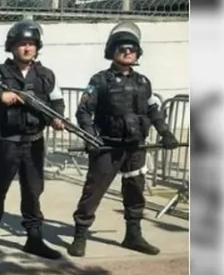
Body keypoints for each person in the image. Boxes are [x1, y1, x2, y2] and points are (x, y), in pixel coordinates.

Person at [67, 22, 180, 257]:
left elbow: (153, 110)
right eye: (122, 48)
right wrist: (90, 136)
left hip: (136, 147)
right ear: (112, 51)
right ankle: (80, 236)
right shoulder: (99, 81)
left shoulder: (143, 82)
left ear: (138, 52)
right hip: (107, 146)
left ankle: (133, 235)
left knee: (135, 192)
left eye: (132, 48)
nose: (128, 52)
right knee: (93, 191)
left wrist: (165, 132)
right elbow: (84, 111)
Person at [0, 19, 65, 263]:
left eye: (31, 44)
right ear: (12, 47)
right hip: (6, 143)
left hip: (34, 142)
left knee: (33, 192)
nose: (27, 48)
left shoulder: (46, 75)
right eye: (22, 44)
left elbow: (56, 102)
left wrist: (58, 119)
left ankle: (34, 238)